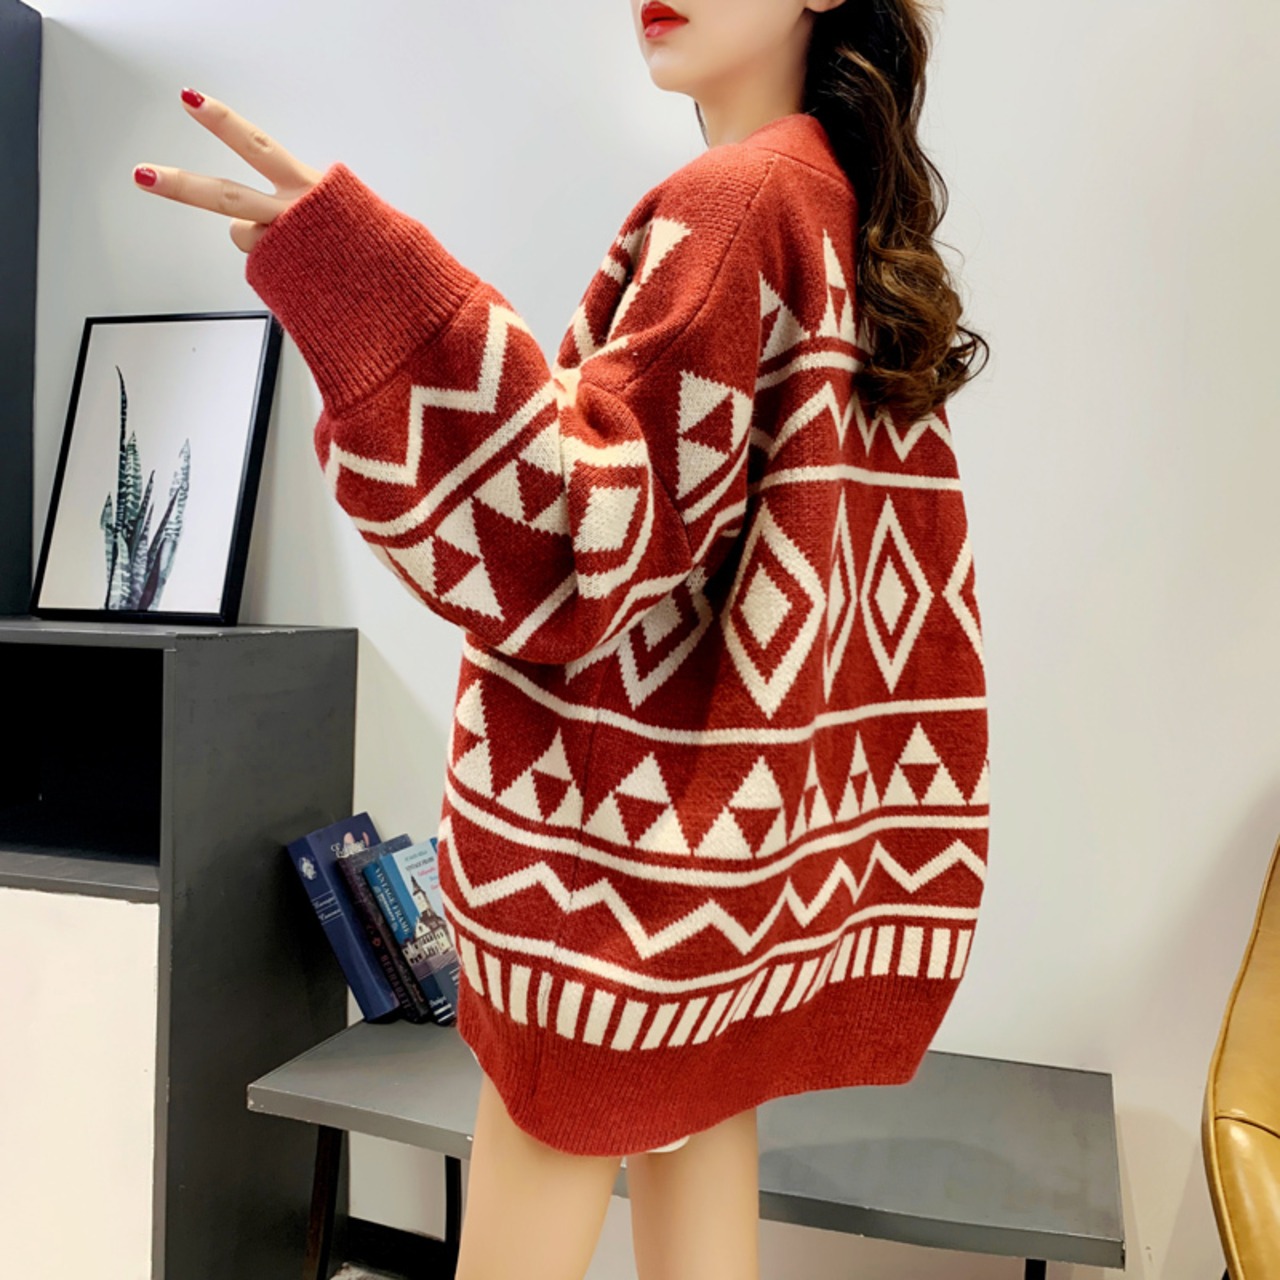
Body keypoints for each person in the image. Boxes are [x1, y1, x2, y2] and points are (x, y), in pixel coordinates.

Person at [133, 2, 990, 1277]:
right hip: (736, 871)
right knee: (702, 1153)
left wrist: (355, 279)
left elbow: (570, 539)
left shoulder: (736, 201)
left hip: (614, 877)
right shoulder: (833, 209)